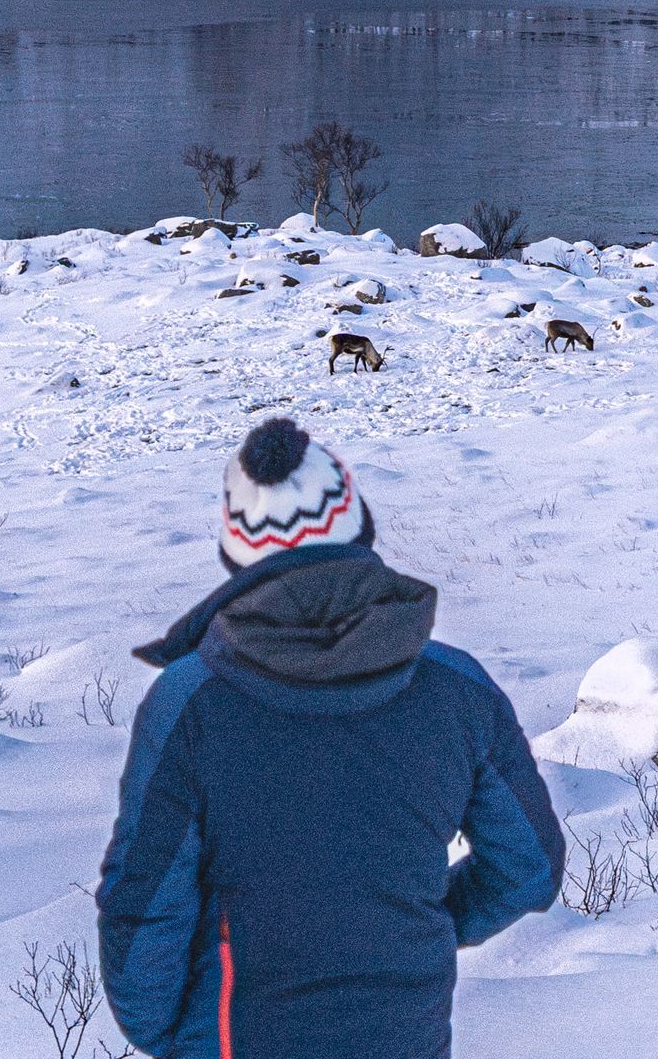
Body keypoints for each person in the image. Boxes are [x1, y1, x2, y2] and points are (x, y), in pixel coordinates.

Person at [97, 418, 564, 1059]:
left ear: (236, 558)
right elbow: (528, 869)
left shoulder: (190, 701)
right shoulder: (458, 689)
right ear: (359, 531)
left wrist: (174, 1038)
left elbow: (145, 902)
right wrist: (418, 920)